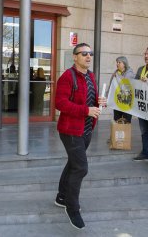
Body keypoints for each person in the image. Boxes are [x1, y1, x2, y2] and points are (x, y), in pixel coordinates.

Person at [54, 43, 106, 229]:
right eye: (84, 53)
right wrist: (86, 110)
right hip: (70, 131)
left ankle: (61, 196)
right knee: (81, 167)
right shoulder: (67, 77)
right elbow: (60, 103)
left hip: (86, 129)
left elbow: (92, 102)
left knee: (73, 163)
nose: (88, 56)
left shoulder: (90, 76)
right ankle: (72, 208)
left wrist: (101, 102)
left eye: (90, 53)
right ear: (74, 57)